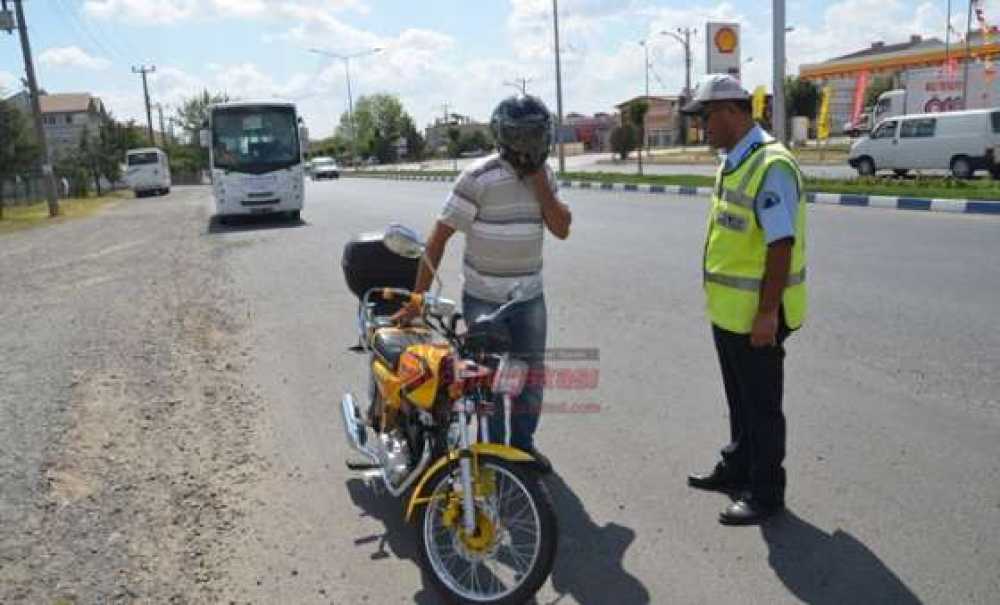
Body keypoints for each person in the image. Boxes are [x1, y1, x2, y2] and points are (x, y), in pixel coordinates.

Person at [394, 94, 572, 473]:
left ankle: (522, 448)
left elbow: (562, 229)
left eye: (536, 136)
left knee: (531, 379)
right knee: (485, 384)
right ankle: (491, 455)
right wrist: (417, 298)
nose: (529, 146)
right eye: (521, 138)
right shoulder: (477, 177)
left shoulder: (547, 175)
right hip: (483, 300)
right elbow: (439, 238)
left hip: (528, 298)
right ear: (504, 138)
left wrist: (541, 186)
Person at [680, 74, 808, 525]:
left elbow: (780, 244)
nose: (702, 126)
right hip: (730, 312)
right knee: (740, 400)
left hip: (759, 315)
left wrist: (768, 313)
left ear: (732, 112)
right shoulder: (735, 159)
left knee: (761, 406)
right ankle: (738, 468)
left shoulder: (771, 164)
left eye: (706, 116)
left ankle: (766, 491)